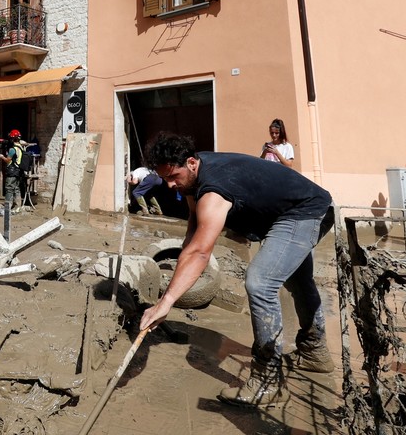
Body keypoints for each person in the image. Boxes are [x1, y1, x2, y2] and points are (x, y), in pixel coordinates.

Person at [139, 133, 335, 408]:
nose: (170, 184)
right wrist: (181, 268)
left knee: (260, 282)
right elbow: (194, 233)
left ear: (192, 163)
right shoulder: (193, 177)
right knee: (299, 280)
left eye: (173, 176)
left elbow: (201, 251)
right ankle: (315, 353)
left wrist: (166, 302)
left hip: (307, 211)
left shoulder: (214, 188)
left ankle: (268, 381)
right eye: (165, 179)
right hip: (287, 211)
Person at [0, 130, 28, 213]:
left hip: (12, 171)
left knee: (9, 188)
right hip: (18, 170)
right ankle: (18, 206)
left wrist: (2, 157)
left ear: (12, 139)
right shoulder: (20, 147)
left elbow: (8, 160)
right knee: (16, 188)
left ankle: (7, 207)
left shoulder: (12, 150)